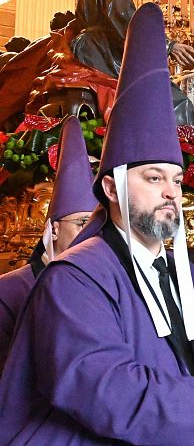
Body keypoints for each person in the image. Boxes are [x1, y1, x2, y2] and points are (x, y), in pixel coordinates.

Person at [0, 3, 194, 444]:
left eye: (177, 179)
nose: (171, 192)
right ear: (111, 188)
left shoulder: (179, 272)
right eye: (153, 177)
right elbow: (110, 394)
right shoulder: (74, 279)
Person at [0, 116, 97, 374]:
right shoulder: (9, 291)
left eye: (96, 226)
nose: (89, 235)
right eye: (81, 223)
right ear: (54, 229)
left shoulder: (104, 288)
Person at [72, 0, 194, 123]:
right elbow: (127, 21)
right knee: (175, 101)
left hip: (90, 51)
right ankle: (178, 148)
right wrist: (168, 45)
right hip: (104, 54)